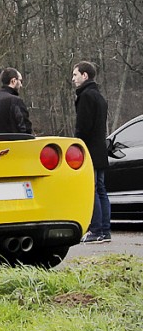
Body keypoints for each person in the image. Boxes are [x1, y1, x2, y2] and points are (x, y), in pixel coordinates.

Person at [73, 61, 110, 244]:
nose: (73, 79)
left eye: (75, 75)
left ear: (85, 75)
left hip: (89, 151)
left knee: (92, 190)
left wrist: (77, 144)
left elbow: (83, 127)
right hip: (100, 150)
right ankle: (105, 230)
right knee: (101, 190)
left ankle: (96, 230)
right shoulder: (99, 97)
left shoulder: (86, 96)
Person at [0, 67, 33, 134]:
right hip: (14, 143)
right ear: (13, 81)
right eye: (20, 81)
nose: (21, 85)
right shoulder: (16, 101)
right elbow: (26, 129)